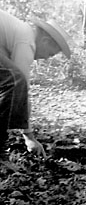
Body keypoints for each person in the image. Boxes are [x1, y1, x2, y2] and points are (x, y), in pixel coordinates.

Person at [0, 9, 72, 158]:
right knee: (16, 79)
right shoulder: (27, 39)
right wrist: (29, 136)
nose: (46, 58)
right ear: (45, 41)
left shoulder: (16, 34)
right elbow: (20, 86)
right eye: (50, 54)